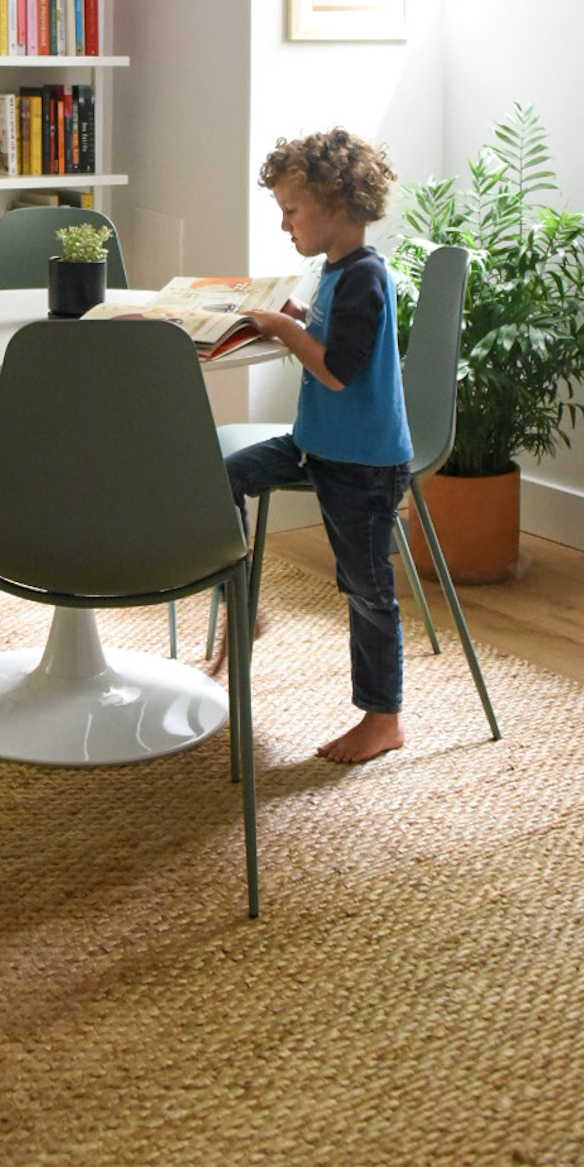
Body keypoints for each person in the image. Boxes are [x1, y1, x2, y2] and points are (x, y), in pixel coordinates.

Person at [214, 127, 413, 765]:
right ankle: (241, 608)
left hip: (362, 462)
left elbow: (336, 371)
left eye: (291, 210)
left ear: (336, 203)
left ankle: (383, 717)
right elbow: (330, 343)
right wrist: (297, 320)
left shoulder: (365, 277)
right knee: (219, 478)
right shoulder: (334, 273)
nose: (283, 225)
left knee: (365, 586)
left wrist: (280, 328)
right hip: (317, 445)